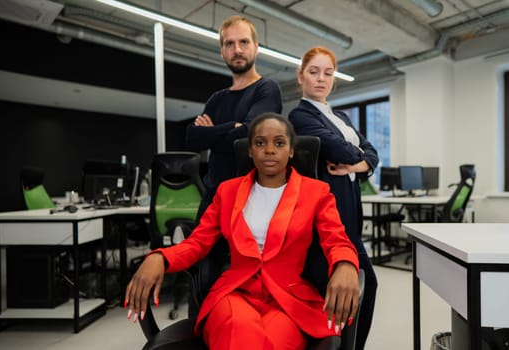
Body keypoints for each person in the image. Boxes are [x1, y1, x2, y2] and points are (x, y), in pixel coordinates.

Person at [125, 113, 360, 350]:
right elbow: (198, 242)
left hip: (288, 300)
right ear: (249, 150)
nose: (269, 150)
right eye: (260, 143)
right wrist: (160, 257)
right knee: (237, 329)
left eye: (279, 143)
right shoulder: (227, 192)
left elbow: (336, 240)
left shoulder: (316, 192)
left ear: (291, 151)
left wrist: (346, 264)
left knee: (271, 341)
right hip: (235, 293)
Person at [289, 46, 379, 350]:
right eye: (313, 72)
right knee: (345, 289)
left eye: (328, 73)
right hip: (330, 216)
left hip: (352, 212)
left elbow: (372, 154)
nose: (320, 79)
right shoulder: (299, 115)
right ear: (301, 76)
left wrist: (356, 164)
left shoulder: (339, 115)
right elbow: (340, 149)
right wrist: (359, 158)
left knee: (361, 289)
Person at [185, 15, 283, 220]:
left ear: (256, 47)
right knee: (202, 252)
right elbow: (192, 139)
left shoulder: (267, 89)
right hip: (213, 198)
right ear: (222, 52)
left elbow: (249, 137)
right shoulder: (216, 99)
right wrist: (233, 127)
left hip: (250, 200)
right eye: (229, 43)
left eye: (244, 42)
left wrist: (212, 134)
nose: (237, 49)